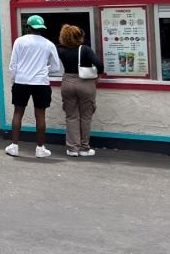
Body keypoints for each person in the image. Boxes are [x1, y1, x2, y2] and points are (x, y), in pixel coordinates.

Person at [6, 15, 62, 158]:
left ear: (28, 27)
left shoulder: (20, 41)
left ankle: (14, 146)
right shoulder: (49, 44)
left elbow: (13, 65)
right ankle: (40, 149)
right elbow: (56, 67)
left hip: (21, 81)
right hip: (40, 83)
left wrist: (14, 80)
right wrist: (42, 70)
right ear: (42, 28)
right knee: (40, 115)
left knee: (18, 113)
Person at [57, 24, 104, 157]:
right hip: (85, 83)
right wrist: (99, 74)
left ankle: (73, 148)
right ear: (80, 37)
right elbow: (99, 65)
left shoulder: (59, 49)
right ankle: (84, 148)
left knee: (71, 116)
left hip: (67, 82)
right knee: (86, 116)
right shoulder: (85, 49)